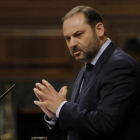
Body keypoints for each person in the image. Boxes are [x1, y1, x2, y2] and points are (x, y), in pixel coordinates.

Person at [33, 6, 140, 140]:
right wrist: (55, 115)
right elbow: (78, 129)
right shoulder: (84, 69)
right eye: (67, 38)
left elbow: (105, 123)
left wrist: (62, 107)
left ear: (99, 29)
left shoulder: (120, 65)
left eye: (78, 34)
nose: (72, 43)